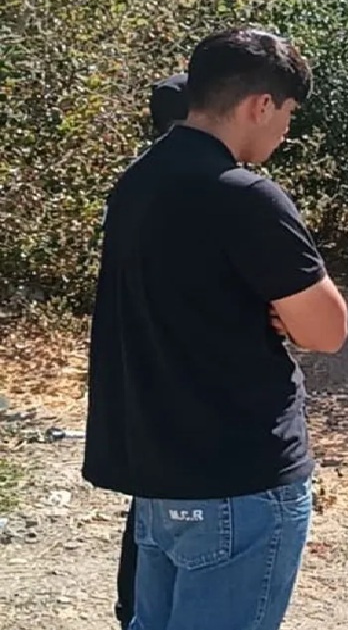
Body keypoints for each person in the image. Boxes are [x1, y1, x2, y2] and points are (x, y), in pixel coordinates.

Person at [82, 28, 348, 630]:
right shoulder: (245, 196)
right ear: (261, 104)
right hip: (238, 477)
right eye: (288, 113)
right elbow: (327, 329)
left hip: (161, 473)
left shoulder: (138, 181)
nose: (286, 130)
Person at [113, 71, 190, 630]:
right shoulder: (206, 186)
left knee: (148, 510)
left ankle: (133, 610)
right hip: (186, 378)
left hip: (141, 373)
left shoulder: (137, 182)